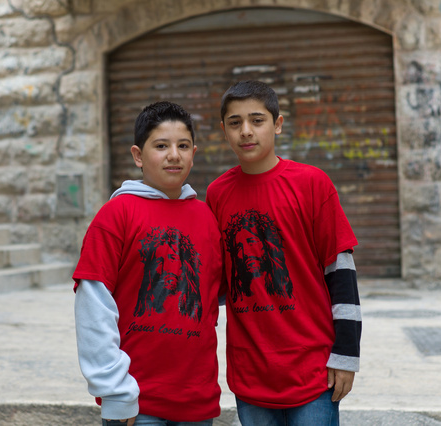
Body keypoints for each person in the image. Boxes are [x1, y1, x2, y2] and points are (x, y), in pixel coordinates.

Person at [206, 80, 361, 426]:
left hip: (313, 371)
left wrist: (346, 356)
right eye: (235, 123)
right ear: (224, 130)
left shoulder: (312, 184)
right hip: (250, 372)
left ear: (277, 124)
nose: (246, 131)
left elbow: (342, 273)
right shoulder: (217, 194)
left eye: (257, 120)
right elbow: (218, 282)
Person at [73, 101, 222, 426]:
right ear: (138, 156)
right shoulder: (117, 215)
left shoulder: (206, 217)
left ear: (193, 153)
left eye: (183, 146)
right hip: (136, 403)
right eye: (161, 146)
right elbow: (93, 307)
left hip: (198, 401)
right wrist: (116, 392)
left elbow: (212, 301)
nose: (174, 155)